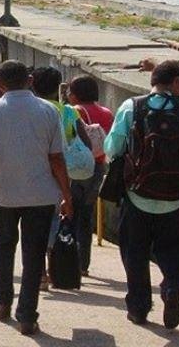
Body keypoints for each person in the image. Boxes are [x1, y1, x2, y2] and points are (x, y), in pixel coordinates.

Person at [0, 60, 72, 336]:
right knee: (34, 253)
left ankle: (3, 301)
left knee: (4, 247)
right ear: (29, 79)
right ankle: (27, 315)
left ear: (0, 84)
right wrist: (67, 195)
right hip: (41, 195)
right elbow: (57, 159)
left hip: (3, 192)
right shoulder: (49, 111)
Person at [105, 58, 179, 329]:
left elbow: (113, 147)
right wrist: (158, 65)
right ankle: (172, 289)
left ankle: (138, 308)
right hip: (175, 197)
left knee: (134, 252)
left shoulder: (132, 106)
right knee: (174, 250)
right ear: (177, 82)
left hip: (138, 194)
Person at [30, 66, 95, 291]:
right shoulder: (69, 112)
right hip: (62, 177)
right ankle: (55, 270)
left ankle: (40, 275)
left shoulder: (35, 110)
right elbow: (86, 143)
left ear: (32, 84)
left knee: (35, 226)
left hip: (36, 174)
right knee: (57, 223)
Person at [67, 74, 112, 277]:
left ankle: (69, 259)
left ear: (75, 94)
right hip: (99, 166)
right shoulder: (107, 112)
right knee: (86, 216)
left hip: (78, 167)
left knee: (70, 214)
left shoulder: (77, 111)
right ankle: (83, 264)